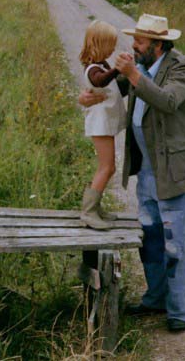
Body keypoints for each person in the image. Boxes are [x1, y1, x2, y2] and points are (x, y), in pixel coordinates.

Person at [79, 13, 185, 332]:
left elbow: (167, 101)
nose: (133, 45)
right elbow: (108, 88)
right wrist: (85, 97)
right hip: (147, 171)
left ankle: (179, 312)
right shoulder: (139, 66)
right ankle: (155, 298)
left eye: (139, 41)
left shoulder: (180, 68)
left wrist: (133, 75)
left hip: (174, 170)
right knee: (150, 239)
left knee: (175, 243)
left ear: (157, 44)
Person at [78, 20, 126, 229]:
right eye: (111, 44)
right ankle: (88, 212)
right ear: (100, 44)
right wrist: (117, 69)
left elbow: (114, 86)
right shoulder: (93, 69)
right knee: (106, 167)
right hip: (100, 124)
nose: (114, 49)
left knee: (109, 167)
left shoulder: (102, 66)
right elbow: (101, 81)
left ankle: (95, 207)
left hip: (105, 124)